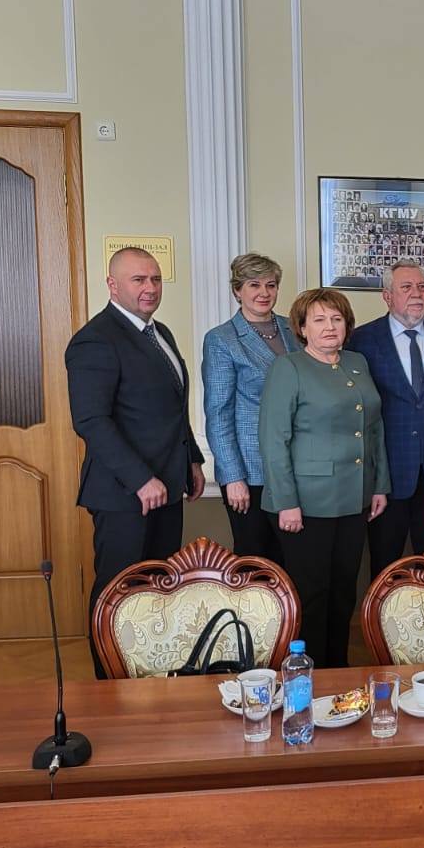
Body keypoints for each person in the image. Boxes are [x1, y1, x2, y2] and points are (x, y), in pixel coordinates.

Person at [67, 247, 205, 678]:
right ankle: (109, 681)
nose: (150, 288)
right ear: (112, 285)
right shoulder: (95, 339)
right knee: (118, 591)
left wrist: (192, 460)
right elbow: (91, 420)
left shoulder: (159, 332)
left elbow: (173, 409)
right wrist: (141, 478)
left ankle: (150, 673)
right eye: (138, 280)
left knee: (158, 587)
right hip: (123, 493)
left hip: (168, 486)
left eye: (155, 279)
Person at [259, 288, 390, 668]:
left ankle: (338, 671)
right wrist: (286, 502)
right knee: (312, 596)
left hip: (355, 498)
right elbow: (273, 439)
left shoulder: (356, 362)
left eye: (336, 319)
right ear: (302, 328)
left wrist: (379, 485)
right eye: (319, 320)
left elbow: (374, 429)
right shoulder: (289, 368)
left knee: (344, 592)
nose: (330, 326)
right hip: (306, 503)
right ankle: (309, 675)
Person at [348, 260, 424, 578]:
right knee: (385, 566)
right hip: (387, 476)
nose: (417, 293)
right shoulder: (362, 340)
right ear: (387, 296)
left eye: (422, 287)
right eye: (407, 287)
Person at [201, 252, 299, 563]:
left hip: (296, 466)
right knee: (256, 566)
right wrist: (233, 477)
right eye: (254, 285)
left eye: (271, 285)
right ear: (237, 289)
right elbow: (218, 414)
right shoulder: (222, 339)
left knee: (296, 562)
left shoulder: (295, 330)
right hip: (251, 471)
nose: (264, 293)